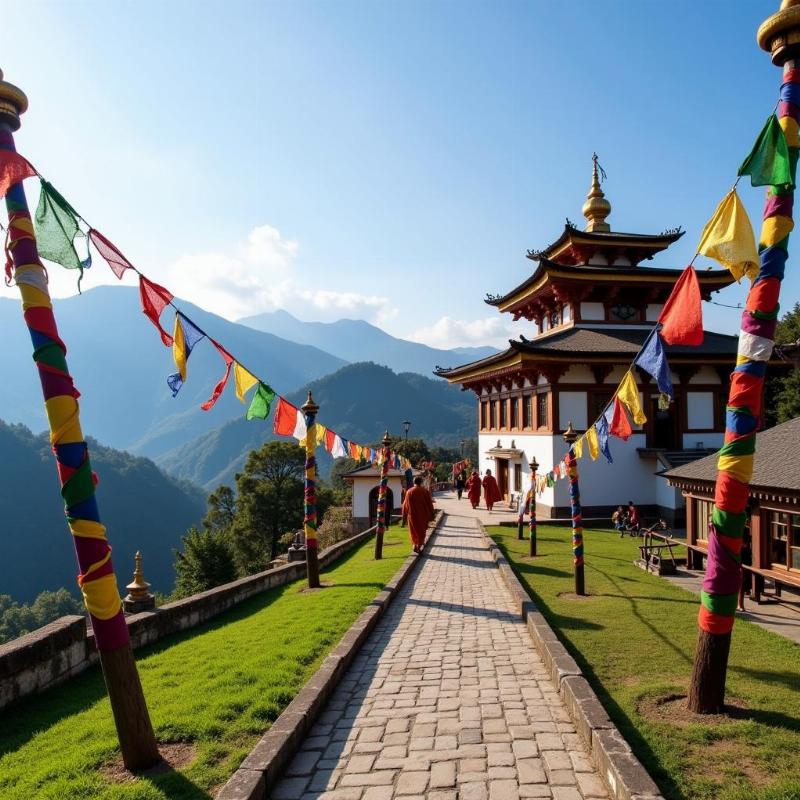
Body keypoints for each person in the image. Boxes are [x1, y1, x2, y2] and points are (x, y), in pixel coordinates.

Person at [402, 476, 435, 554]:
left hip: (411, 516)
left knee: (413, 531)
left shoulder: (408, 491)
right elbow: (429, 504)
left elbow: (405, 504)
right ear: (421, 482)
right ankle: (418, 546)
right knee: (421, 532)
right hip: (422, 516)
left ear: (414, 482)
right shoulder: (425, 491)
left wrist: (404, 514)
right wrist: (432, 514)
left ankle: (414, 544)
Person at [738, 523, 752, 612]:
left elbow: (745, 545)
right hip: (736, 557)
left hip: (744, 559)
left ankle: (740, 604)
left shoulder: (746, 530)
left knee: (742, 582)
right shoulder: (733, 529)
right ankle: (739, 604)